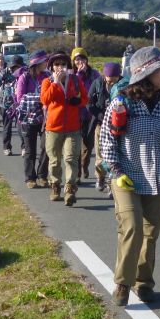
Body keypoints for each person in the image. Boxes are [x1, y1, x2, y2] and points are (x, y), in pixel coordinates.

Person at [100, 46, 160, 307]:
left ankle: (144, 282)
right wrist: (115, 171)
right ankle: (123, 283)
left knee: (150, 233)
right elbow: (106, 141)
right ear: (144, 73)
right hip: (126, 176)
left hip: (156, 177)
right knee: (132, 227)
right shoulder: (122, 101)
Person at [41, 51, 88, 206]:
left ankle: (69, 189)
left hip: (73, 127)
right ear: (52, 67)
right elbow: (45, 100)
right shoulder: (47, 81)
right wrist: (55, 82)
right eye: (56, 64)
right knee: (54, 160)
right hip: (53, 127)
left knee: (70, 158)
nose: (60, 67)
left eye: (63, 64)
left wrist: (78, 101)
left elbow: (85, 98)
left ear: (68, 66)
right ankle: (55, 186)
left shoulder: (74, 80)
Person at [15, 50, 50, 188]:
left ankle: (42, 175)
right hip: (27, 119)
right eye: (44, 61)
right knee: (30, 150)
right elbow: (20, 98)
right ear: (37, 63)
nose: (46, 63)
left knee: (46, 147)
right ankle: (30, 178)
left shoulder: (47, 76)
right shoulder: (24, 77)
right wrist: (40, 99)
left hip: (44, 117)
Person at [88, 61, 121, 191]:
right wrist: (100, 115)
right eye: (109, 80)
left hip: (118, 126)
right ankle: (100, 176)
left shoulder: (124, 85)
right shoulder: (97, 83)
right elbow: (89, 102)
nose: (111, 83)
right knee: (100, 155)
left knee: (115, 155)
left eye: (114, 80)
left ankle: (110, 183)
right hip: (101, 125)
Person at [70, 47, 101, 179]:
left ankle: (84, 165)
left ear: (87, 60)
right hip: (76, 115)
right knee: (76, 145)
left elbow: (99, 89)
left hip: (90, 115)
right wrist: (79, 75)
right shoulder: (71, 75)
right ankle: (76, 174)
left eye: (82, 58)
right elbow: (72, 90)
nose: (79, 62)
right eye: (76, 59)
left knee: (88, 146)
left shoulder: (94, 74)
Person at [0, 54, 23, 155]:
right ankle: (7, 147)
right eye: (14, 66)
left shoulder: (24, 73)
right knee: (7, 127)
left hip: (20, 104)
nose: (16, 69)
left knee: (21, 127)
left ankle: (24, 147)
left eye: (18, 66)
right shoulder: (4, 73)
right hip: (6, 104)